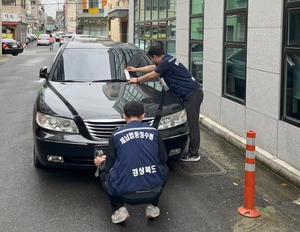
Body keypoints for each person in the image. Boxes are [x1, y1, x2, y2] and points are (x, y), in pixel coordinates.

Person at [94, 101, 168, 224]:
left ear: (124, 115)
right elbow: (163, 159)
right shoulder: (154, 132)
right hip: (154, 190)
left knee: (104, 175)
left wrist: (101, 162)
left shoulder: (117, 135)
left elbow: (109, 165)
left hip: (126, 193)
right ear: (143, 115)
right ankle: (153, 206)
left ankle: (119, 209)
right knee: (164, 168)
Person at [127, 44, 204, 162]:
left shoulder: (166, 62)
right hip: (193, 93)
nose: (153, 61)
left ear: (154, 56)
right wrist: (136, 70)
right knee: (190, 123)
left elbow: (153, 74)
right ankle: (192, 151)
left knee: (192, 124)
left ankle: (194, 153)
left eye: (153, 59)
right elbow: (153, 68)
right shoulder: (167, 59)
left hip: (192, 95)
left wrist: (137, 79)